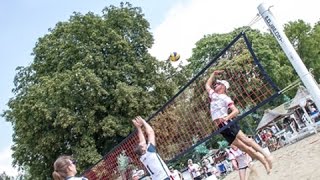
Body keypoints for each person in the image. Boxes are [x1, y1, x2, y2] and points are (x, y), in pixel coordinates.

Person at [205, 70, 272, 174]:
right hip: (221, 128)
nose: (215, 85)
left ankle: (267, 156)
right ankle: (263, 161)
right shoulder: (213, 95)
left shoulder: (225, 97)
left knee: (246, 140)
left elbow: (236, 111)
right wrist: (213, 74)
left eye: (218, 84)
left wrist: (227, 117)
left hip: (227, 123)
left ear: (223, 87)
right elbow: (207, 84)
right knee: (245, 148)